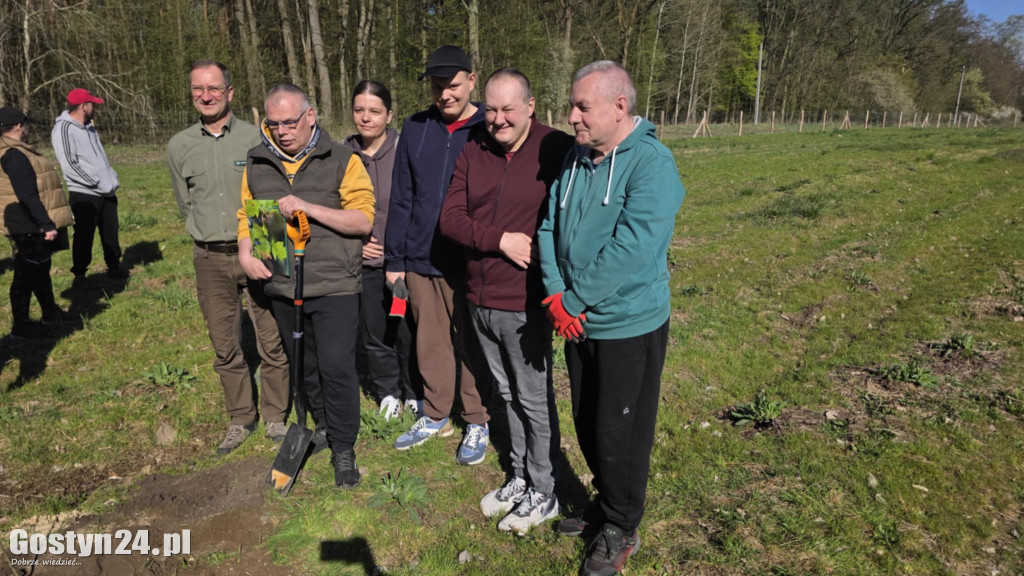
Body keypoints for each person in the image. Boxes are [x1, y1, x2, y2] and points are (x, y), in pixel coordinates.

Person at [537, 61, 685, 576]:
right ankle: (605, 502)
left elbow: (634, 246)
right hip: (577, 319)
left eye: (582, 106)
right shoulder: (577, 161)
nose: (571, 117)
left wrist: (573, 300)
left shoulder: (651, 164)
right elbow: (549, 223)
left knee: (621, 429)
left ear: (620, 106)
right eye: (572, 106)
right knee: (587, 420)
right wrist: (557, 293)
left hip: (628, 322)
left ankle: (622, 523)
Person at [439, 68, 574, 533]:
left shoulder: (556, 148)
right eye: (491, 109)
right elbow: (450, 218)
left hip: (527, 301)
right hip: (480, 296)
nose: (497, 119)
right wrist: (499, 241)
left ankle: (545, 489)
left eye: (508, 109)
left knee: (533, 400)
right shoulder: (473, 148)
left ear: (531, 107)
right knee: (506, 395)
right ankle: (519, 476)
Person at [236, 83, 375, 489]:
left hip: (333, 284)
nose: (281, 131)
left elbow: (362, 220)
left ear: (310, 116)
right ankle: (325, 427)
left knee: (336, 366)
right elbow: (247, 215)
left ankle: (344, 448)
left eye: (289, 122)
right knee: (306, 367)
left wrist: (308, 208)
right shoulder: (257, 161)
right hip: (282, 284)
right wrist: (246, 252)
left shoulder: (342, 159)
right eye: (273, 123)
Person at [167, 60, 291, 455]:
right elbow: (184, 204)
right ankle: (241, 418)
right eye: (198, 90)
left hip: (259, 249)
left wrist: (267, 248)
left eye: (214, 89)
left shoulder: (258, 139)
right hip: (209, 258)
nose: (206, 96)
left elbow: (273, 194)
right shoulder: (179, 146)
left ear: (230, 93)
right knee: (225, 345)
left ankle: (275, 416)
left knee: (272, 339)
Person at [386, 45, 492, 465]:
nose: (444, 94)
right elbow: (401, 197)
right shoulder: (416, 128)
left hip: (470, 260)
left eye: (451, 85)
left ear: (471, 80)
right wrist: (396, 257)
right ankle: (434, 413)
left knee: (472, 342)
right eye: (436, 86)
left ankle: (477, 417)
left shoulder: (489, 126)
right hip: (420, 256)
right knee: (430, 342)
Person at [343, 80, 423, 421]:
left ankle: (415, 390)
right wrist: (354, 244)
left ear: (389, 115)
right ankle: (388, 391)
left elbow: (419, 204)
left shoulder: (407, 150)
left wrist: (402, 251)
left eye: (374, 111)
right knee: (375, 330)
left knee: (408, 329)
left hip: (403, 262)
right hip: (365, 263)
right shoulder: (341, 155)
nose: (366, 118)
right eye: (359, 110)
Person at [1, 107, 74, 339]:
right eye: (26, 125)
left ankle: (49, 313)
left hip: (28, 223)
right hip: (27, 225)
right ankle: (21, 326)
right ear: (19, 126)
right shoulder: (14, 155)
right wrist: (46, 224)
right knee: (26, 274)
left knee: (39, 269)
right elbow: (27, 194)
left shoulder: (15, 151)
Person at [51, 88, 122, 280]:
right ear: (83, 106)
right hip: (84, 193)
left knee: (111, 231)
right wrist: (95, 182)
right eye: (92, 104)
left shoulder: (90, 127)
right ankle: (80, 274)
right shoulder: (63, 129)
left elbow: (99, 158)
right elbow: (69, 163)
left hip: (106, 191)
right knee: (84, 235)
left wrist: (109, 178)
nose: (95, 107)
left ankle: (114, 266)